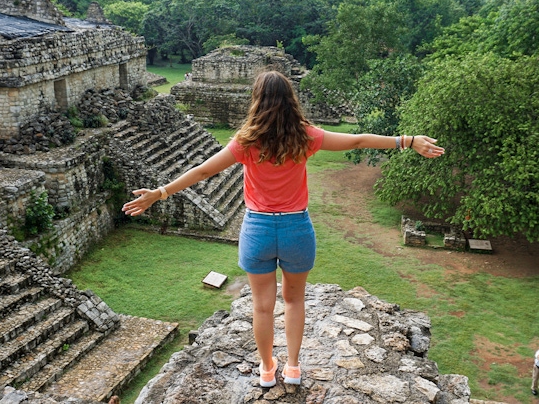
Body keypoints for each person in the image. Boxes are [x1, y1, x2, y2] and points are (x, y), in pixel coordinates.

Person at [122, 70, 444, 387]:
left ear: (257, 101)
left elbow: (204, 171)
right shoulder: (305, 136)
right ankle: (292, 367)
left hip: (257, 231)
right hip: (296, 230)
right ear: (291, 100)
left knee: (261, 306)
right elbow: (357, 140)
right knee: (293, 301)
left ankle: (265, 369)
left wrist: (160, 193)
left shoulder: (245, 142)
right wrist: (408, 140)